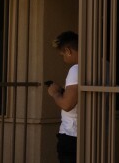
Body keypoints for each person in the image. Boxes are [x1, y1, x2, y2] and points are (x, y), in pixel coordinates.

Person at [47, 31, 79, 163]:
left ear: (68, 50)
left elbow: (67, 104)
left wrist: (55, 92)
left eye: (62, 55)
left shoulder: (76, 69)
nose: (63, 58)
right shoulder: (105, 65)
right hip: (97, 133)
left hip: (72, 134)